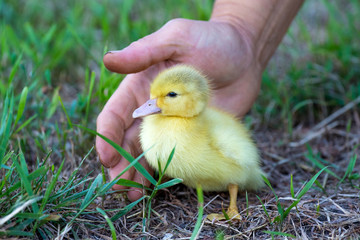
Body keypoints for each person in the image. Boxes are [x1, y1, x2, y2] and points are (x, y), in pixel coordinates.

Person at [96, 0, 304, 201]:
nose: (151, 103)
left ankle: (232, 205)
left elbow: (242, 160)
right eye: (154, 96)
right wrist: (241, 31)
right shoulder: (158, 125)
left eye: (170, 95)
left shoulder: (208, 127)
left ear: (193, 99)